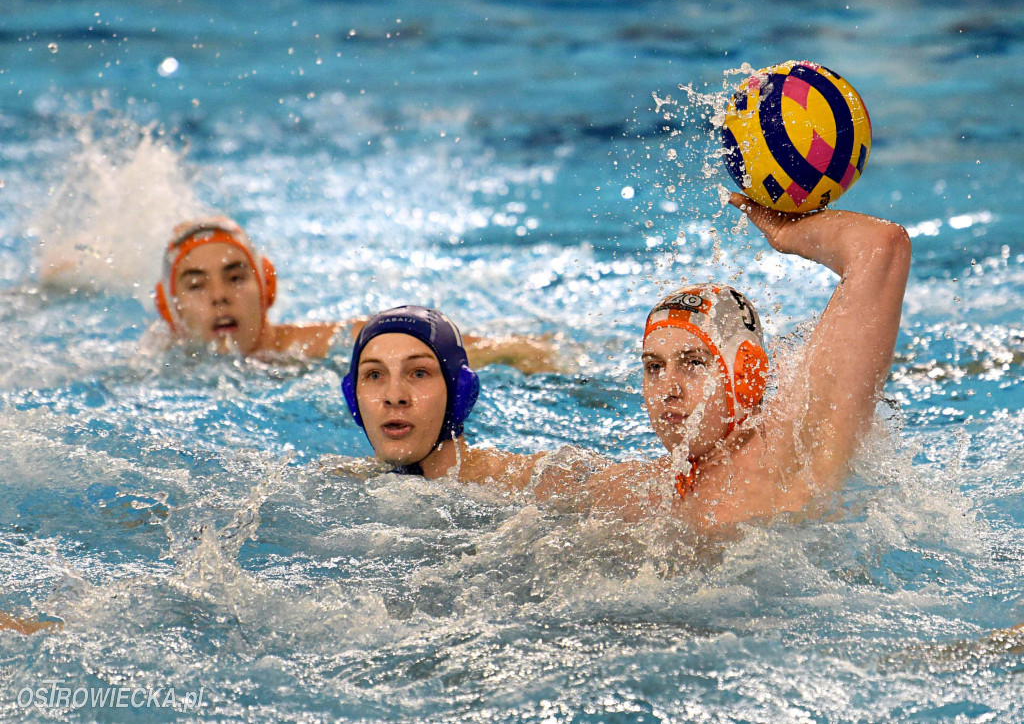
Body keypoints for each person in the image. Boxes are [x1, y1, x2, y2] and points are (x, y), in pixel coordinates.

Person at [580, 192, 912, 528]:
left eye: (693, 363)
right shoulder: (633, 489)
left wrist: (788, 234)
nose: (669, 389)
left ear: (745, 374)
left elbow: (881, 245)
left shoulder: (791, 458)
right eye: (654, 367)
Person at [151, 215, 561, 373]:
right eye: (196, 284)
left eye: (236, 277)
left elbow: (424, 341)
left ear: (266, 287)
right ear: (170, 310)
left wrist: (515, 351)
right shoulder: (154, 368)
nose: (219, 296)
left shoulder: (314, 347)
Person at [341, 305, 546, 486]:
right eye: (374, 375)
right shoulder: (338, 484)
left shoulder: (532, 482)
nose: (394, 396)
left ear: (460, 393)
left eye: (419, 373)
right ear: (353, 399)